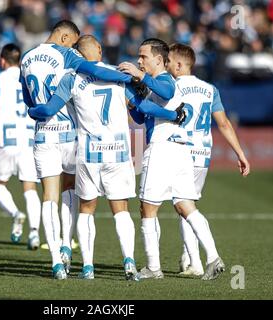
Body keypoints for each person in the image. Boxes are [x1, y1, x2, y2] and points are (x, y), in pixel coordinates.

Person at [29, 35, 183, 281]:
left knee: (87, 209)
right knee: (120, 209)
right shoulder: (120, 74)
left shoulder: (71, 78)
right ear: (100, 50)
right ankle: (129, 263)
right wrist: (171, 114)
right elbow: (144, 108)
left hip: (89, 153)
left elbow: (48, 110)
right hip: (119, 153)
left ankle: (88, 268)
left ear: (78, 55)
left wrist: (31, 110)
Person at [20, 20, 134, 280]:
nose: (77, 50)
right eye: (74, 43)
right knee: (71, 190)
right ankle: (65, 245)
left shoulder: (26, 57)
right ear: (64, 37)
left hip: (43, 135)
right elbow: (96, 70)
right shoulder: (67, 54)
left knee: (49, 195)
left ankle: (56, 263)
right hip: (70, 133)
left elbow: (28, 97)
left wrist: (34, 111)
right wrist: (128, 76)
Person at [119, 38, 225, 281]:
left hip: (162, 150)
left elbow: (166, 91)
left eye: (143, 56)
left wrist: (140, 77)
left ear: (159, 60)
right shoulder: (153, 84)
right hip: (180, 151)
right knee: (185, 205)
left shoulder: (165, 80)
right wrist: (130, 94)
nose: (139, 60)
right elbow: (139, 114)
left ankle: (153, 267)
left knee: (148, 207)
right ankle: (213, 257)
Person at [165, 43, 250, 276]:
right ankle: (188, 258)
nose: (166, 64)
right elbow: (223, 123)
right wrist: (240, 153)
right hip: (202, 153)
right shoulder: (209, 89)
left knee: (183, 205)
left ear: (180, 65)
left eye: (169, 61)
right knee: (187, 204)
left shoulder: (171, 86)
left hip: (180, 149)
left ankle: (200, 261)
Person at [0, 43, 41, 250]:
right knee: (30, 187)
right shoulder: (30, 77)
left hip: (6, 138)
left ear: (2, 60)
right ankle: (34, 233)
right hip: (28, 138)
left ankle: (16, 214)